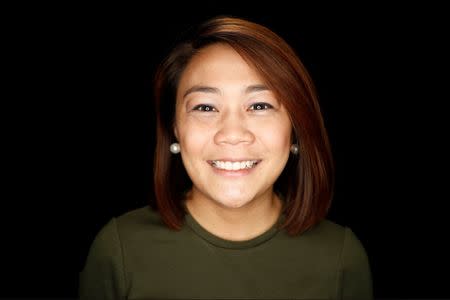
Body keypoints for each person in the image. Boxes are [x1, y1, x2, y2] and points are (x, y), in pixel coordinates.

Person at [79, 16, 373, 299]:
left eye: (259, 106)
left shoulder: (340, 258)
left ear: (296, 128)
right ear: (176, 130)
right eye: (205, 108)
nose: (232, 134)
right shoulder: (120, 251)